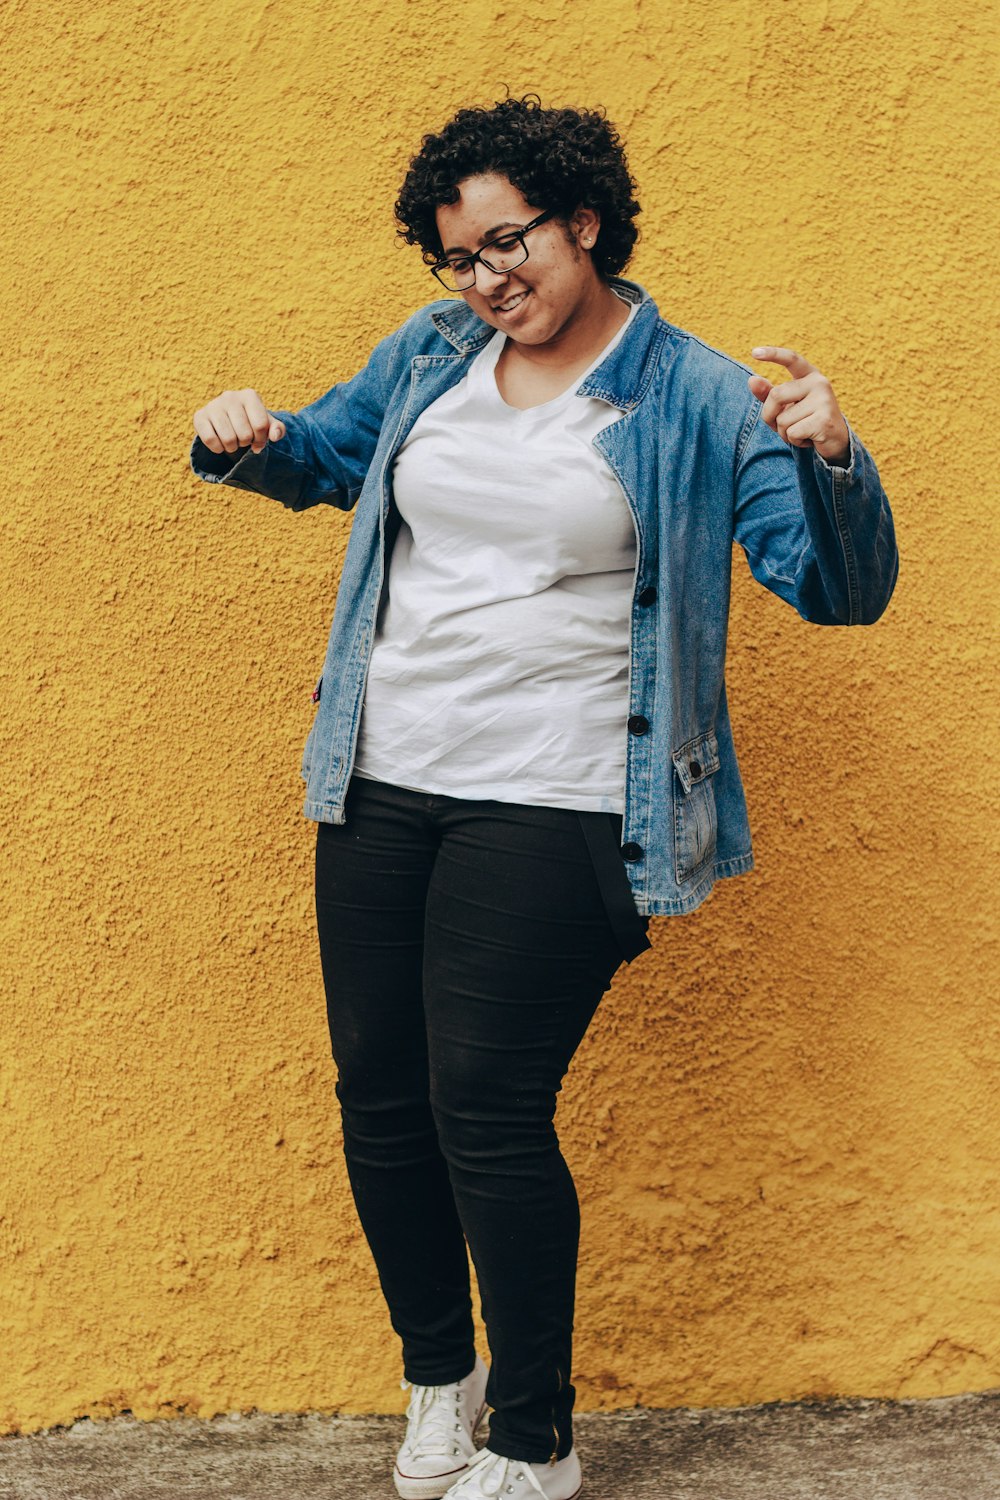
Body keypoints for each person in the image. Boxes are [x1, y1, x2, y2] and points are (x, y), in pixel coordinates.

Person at [189, 95, 898, 1500]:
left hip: (566, 795)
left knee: (486, 1104)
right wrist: (251, 440)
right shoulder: (435, 353)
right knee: (380, 1096)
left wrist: (828, 455)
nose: (486, 278)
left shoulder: (695, 394)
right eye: (457, 256)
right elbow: (329, 459)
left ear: (584, 219)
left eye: (508, 242)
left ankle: (535, 1434)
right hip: (383, 778)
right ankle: (436, 1386)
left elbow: (836, 589)